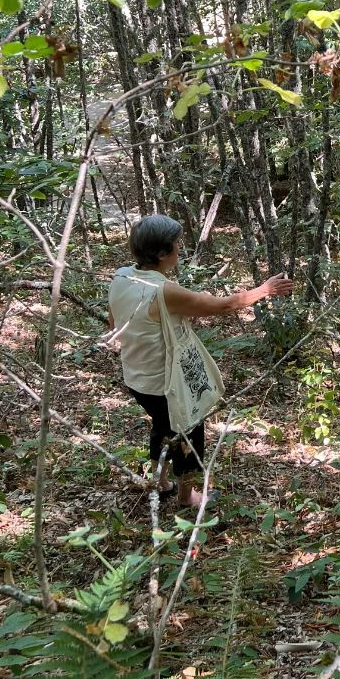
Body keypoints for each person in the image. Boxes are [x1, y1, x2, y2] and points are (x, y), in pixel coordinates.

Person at [108, 214, 294, 508]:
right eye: (177, 243)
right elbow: (223, 306)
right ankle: (187, 497)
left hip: (137, 378)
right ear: (162, 253)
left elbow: (115, 324)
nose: (180, 248)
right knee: (189, 434)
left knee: (163, 426)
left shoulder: (122, 277)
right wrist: (264, 290)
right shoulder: (163, 290)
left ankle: (160, 483)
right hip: (164, 384)